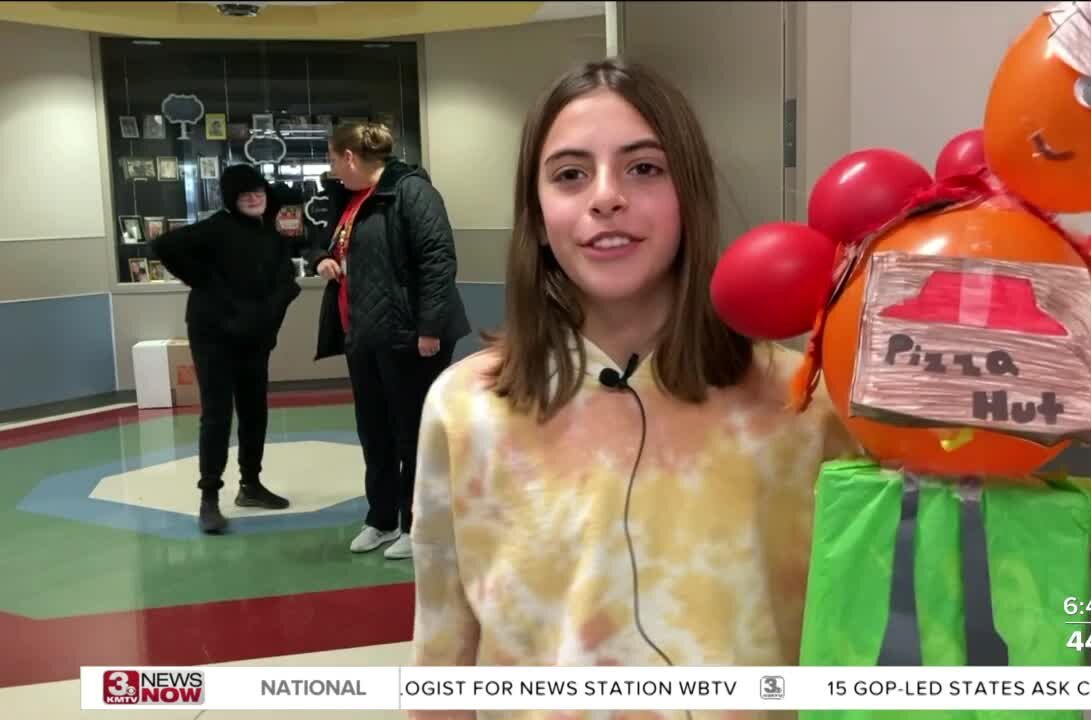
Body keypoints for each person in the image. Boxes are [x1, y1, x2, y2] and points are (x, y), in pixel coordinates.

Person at [407, 58, 858, 708]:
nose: (605, 196)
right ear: (536, 213)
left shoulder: (804, 404)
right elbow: (442, 652)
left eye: (644, 168)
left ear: (689, 194)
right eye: (570, 174)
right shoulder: (465, 407)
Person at [307, 122, 471, 560]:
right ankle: (380, 519)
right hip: (364, 333)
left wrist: (430, 328)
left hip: (409, 336)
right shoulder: (350, 199)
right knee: (373, 432)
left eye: (331, 158)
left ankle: (416, 524)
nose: (331, 169)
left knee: (412, 434)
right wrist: (323, 258)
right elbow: (332, 244)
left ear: (349, 157)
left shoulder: (411, 192)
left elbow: (438, 259)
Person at [152, 164, 301, 534]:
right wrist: (204, 281)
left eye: (258, 193)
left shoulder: (269, 231)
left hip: (254, 336)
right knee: (217, 415)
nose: (254, 198)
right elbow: (163, 245)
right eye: (244, 194)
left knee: (255, 412)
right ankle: (209, 498)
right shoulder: (218, 227)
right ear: (231, 200)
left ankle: (251, 485)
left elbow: (292, 195)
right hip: (214, 335)